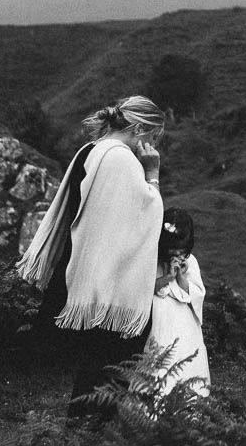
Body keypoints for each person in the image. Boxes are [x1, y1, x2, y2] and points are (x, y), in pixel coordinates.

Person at [17, 95, 167, 419]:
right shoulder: (122, 161)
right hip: (109, 282)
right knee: (111, 363)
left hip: (85, 269)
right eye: (153, 138)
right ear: (139, 128)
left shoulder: (91, 150)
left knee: (94, 361)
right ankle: (93, 434)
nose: (152, 146)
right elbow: (146, 215)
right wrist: (152, 173)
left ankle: (82, 431)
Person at [140, 207, 209, 398]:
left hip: (184, 318)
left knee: (184, 353)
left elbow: (197, 293)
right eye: (173, 248)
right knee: (160, 354)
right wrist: (168, 277)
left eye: (182, 249)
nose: (178, 252)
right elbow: (144, 289)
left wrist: (181, 277)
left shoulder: (191, 262)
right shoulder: (152, 259)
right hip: (159, 315)